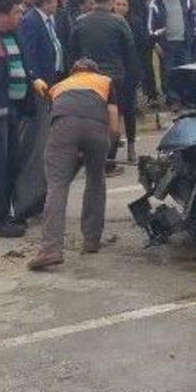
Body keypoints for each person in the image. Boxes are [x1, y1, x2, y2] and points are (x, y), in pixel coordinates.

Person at [27, 59, 120, 271]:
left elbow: (57, 119)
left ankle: (50, 250)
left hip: (63, 127)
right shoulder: (105, 81)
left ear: (73, 72)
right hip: (97, 128)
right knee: (96, 180)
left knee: (57, 186)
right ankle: (92, 240)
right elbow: (114, 123)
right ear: (95, 71)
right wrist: (108, 149)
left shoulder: (60, 86)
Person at [70, 0, 140, 171]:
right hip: (113, 77)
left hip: (87, 77)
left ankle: (89, 157)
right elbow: (130, 51)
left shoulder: (80, 21)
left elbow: (73, 51)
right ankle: (108, 162)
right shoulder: (119, 22)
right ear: (110, 1)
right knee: (112, 119)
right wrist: (131, 76)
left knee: (91, 118)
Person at [17, 0, 66, 216]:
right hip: (40, 88)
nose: (57, 5)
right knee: (37, 145)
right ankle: (28, 200)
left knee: (46, 142)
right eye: (55, 1)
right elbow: (29, 55)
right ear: (47, 1)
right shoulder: (31, 21)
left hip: (52, 83)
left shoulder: (47, 20)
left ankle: (38, 194)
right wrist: (36, 79)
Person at [0, 0, 26, 237]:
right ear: (2, 15)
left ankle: (8, 212)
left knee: (11, 163)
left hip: (13, 109)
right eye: (16, 12)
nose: (20, 16)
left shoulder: (12, 36)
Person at [148, 0, 196, 107]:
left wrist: (191, 35)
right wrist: (156, 43)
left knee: (186, 71)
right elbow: (150, 26)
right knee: (169, 73)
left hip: (184, 42)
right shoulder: (156, 2)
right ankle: (173, 99)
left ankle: (186, 98)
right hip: (166, 44)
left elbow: (192, 18)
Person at [112, 0, 146, 163]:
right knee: (113, 110)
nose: (121, 7)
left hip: (130, 71)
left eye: (124, 4)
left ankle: (131, 146)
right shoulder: (108, 23)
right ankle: (112, 145)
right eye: (118, 3)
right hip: (112, 72)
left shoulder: (135, 22)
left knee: (129, 111)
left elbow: (141, 46)